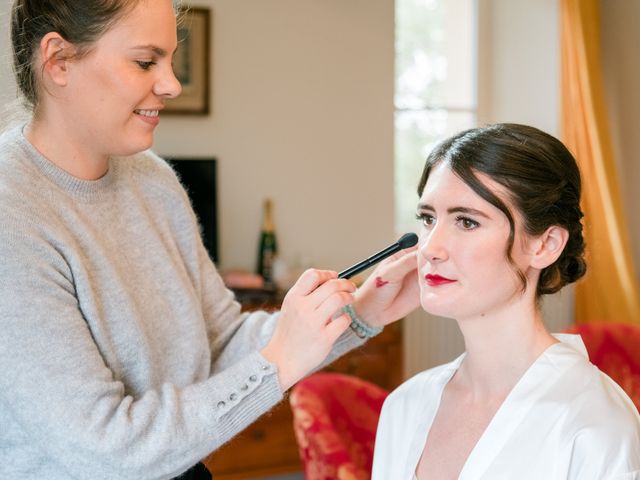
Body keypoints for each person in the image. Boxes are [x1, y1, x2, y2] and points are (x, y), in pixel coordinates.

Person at [0, 1, 419, 479]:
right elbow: (107, 448)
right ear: (57, 61)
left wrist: (360, 311)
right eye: (145, 61)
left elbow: (220, 342)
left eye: (170, 60)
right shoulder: (12, 214)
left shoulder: (152, 182)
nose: (171, 84)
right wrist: (277, 363)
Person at [371, 123, 640, 479]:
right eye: (428, 218)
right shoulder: (404, 406)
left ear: (545, 245)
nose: (430, 249)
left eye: (466, 222)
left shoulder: (594, 423)